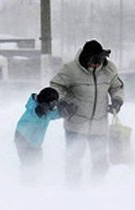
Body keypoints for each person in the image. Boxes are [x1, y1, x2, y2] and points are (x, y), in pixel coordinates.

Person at [50, 39, 124, 185]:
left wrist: (117, 99)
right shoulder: (70, 70)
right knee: (74, 160)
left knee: (101, 162)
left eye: (99, 61)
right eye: (93, 61)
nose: (96, 65)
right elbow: (56, 86)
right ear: (85, 58)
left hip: (99, 125)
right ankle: (72, 191)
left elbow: (117, 86)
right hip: (75, 124)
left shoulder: (109, 69)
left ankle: (97, 189)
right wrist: (63, 101)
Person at [14, 87, 63, 177]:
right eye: (53, 103)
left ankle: (34, 183)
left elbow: (53, 114)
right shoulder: (33, 110)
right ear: (45, 102)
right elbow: (34, 115)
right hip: (23, 138)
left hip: (35, 142)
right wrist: (39, 111)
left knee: (37, 165)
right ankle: (28, 184)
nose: (54, 105)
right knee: (29, 165)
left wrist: (64, 111)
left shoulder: (47, 110)